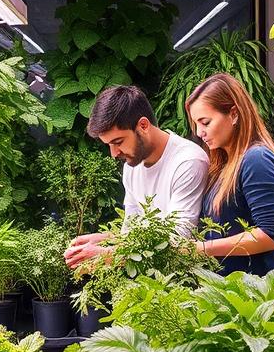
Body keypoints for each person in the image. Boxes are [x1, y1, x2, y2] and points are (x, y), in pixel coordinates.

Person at [63, 85, 209, 268]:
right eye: (108, 145)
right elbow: (132, 230)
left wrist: (107, 255)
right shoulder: (132, 166)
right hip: (149, 279)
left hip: (187, 281)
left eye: (118, 142)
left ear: (143, 125)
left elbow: (178, 239)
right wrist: (104, 241)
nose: (114, 153)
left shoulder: (188, 161)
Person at [186, 73, 274, 276]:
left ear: (234, 114)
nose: (199, 132)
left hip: (259, 295)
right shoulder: (223, 164)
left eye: (205, 122)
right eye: (196, 124)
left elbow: (271, 234)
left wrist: (201, 249)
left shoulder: (256, 159)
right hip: (232, 295)